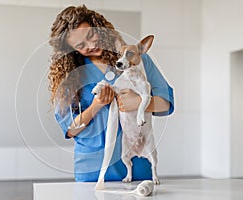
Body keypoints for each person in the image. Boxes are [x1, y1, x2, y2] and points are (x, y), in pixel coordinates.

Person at [48, 5, 174, 182]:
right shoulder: (71, 76)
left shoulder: (138, 59)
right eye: (81, 45)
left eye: (91, 35)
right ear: (73, 49)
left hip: (137, 165)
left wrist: (138, 102)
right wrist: (96, 105)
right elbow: (70, 129)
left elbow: (166, 104)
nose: (91, 45)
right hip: (93, 169)